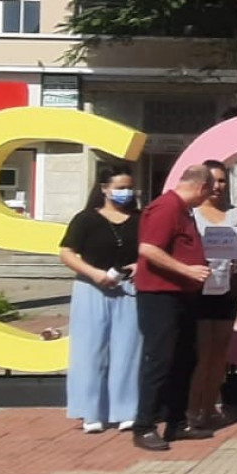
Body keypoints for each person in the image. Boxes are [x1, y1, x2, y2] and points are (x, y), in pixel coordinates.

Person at [130, 163, 213, 451]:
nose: (207, 200)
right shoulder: (165, 207)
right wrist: (188, 271)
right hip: (159, 296)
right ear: (201, 187)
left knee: (184, 359)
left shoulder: (183, 210)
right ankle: (144, 425)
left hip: (183, 297)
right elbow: (149, 249)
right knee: (160, 360)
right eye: (208, 193)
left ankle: (176, 422)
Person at [59, 165, 141, 434]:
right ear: (104, 189)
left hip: (128, 289)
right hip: (91, 289)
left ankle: (126, 410)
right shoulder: (86, 219)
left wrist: (140, 266)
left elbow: (151, 249)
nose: (125, 193)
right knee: (89, 350)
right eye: (119, 188)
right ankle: (90, 412)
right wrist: (94, 274)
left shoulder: (140, 219)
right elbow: (67, 252)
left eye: (129, 188)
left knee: (128, 350)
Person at [188, 159, 237, 430]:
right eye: (212, 181)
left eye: (223, 180)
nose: (218, 186)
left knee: (219, 352)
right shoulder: (191, 214)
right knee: (201, 352)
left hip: (227, 289)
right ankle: (192, 410)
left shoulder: (236, 214)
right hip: (200, 289)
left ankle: (210, 407)